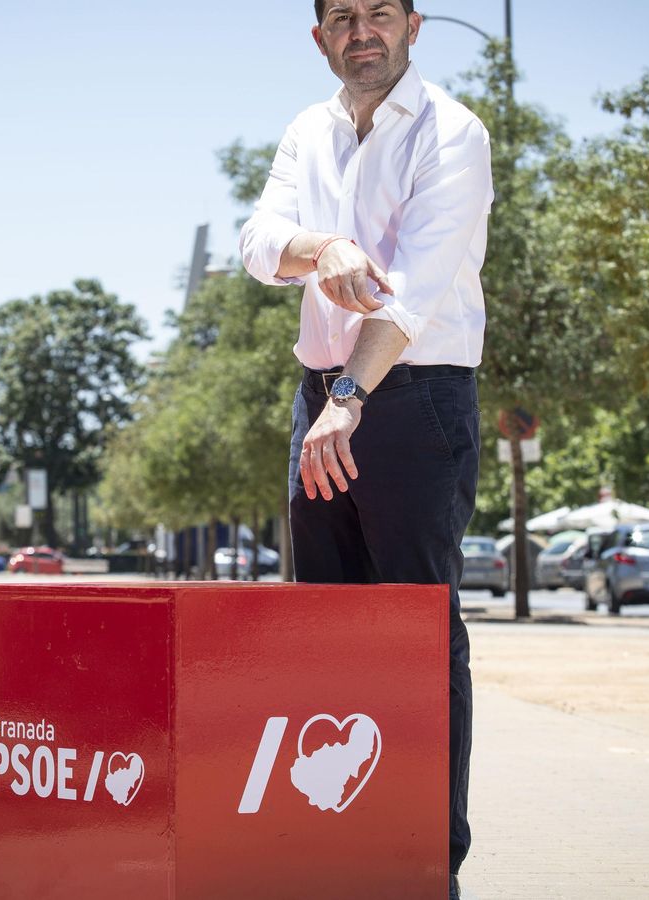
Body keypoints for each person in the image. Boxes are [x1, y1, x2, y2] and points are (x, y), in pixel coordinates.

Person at [239, 2, 493, 895]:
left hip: (413, 400)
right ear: (319, 38)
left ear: (414, 26)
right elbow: (259, 242)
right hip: (323, 403)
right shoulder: (306, 130)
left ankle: (429, 870)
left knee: (418, 637)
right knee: (326, 637)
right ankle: (342, 860)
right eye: (342, 16)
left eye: (379, 12)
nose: (362, 30)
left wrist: (349, 396)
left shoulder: (452, 133)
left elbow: (412, 295)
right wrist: (328, 247)